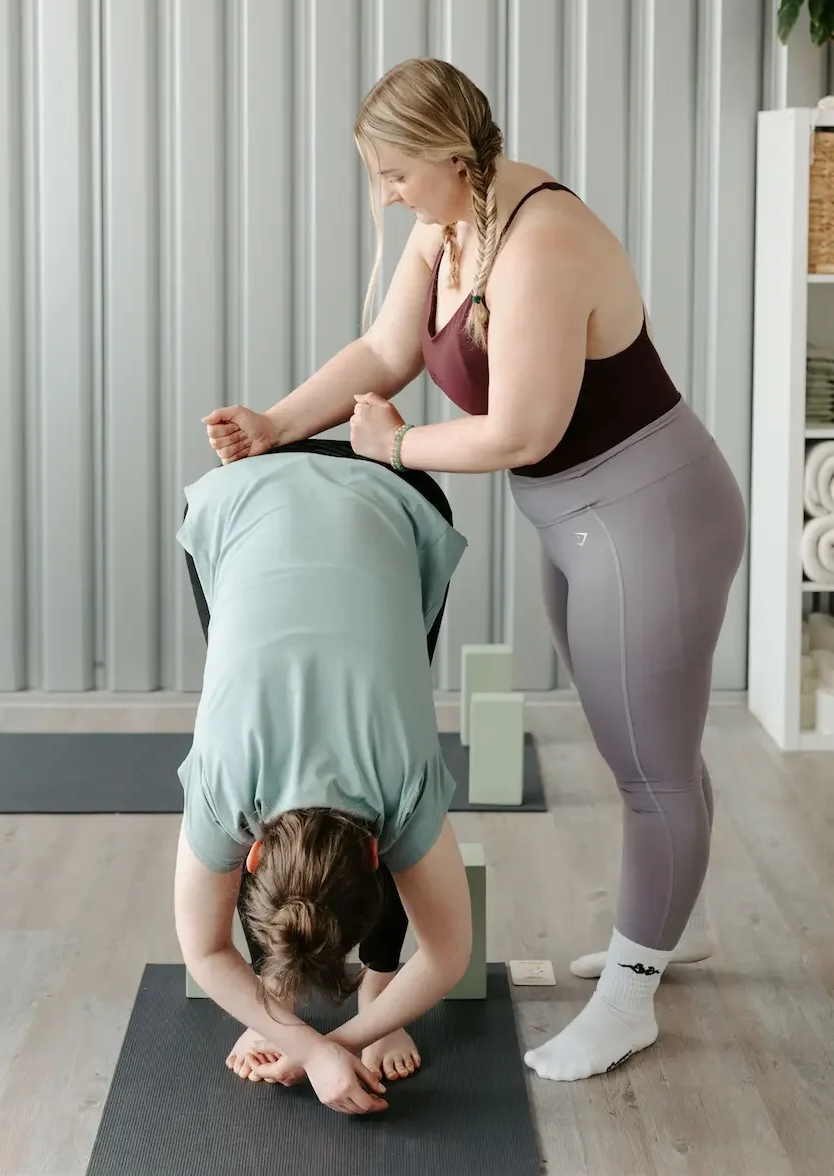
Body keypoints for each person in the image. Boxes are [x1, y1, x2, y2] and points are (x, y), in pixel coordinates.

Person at [202, 57, 748, 1083]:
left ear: (453, 158)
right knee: (641, 744)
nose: (387, 194)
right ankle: (664, 928)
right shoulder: (449, 222)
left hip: (652, 515)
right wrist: (278, 421)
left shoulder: (540, 244)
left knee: (649, 765)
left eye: (396, 174)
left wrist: (395, 449)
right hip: (579, 519)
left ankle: (630, 997)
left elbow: (522, 426)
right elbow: (383, 349)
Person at [173, 437, 471, 1117]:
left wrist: (334, 1040)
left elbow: (446, 956)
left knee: (393, 660)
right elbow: (208, 949)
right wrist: (311, 1046)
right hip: (239, 500)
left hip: (393, 496)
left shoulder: (397, 778)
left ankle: (379, 984)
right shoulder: (228, 779)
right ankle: (274, 999)